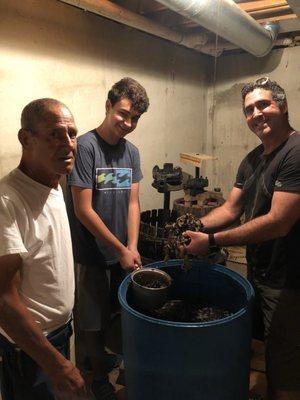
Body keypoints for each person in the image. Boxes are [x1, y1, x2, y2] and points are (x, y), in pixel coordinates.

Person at [184, 77, 300, 400]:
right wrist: (198, 227)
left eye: (264, 105)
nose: (256, 114)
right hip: (260, 272)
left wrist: (212, 242)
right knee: (267, 348)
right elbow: (231, 208)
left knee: (286, 365)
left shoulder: (296, 153)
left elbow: (279, 222)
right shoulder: (252, 160)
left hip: (289, 279)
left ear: (283, 105)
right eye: (249, 109)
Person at [67, 77, 149, 399]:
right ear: (108, 106)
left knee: (115, 311)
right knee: (91, 319)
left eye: (135, 119)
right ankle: (97, 377)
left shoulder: (132, 152)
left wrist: (132, 246)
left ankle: (101, 358)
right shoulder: (85, 147)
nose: (128, 124)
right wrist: (118, 248)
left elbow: (133, 203)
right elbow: (83, 210)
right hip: (91, 253)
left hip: (121, 252)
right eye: (123, 114)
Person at [0, 99, 87, 399]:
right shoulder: (7, 201)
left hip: (59, 333)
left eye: (72, 134)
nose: (68, 143)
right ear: (27, 139)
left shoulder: (54, 183)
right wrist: (56, 364)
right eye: (55, 134)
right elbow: (3, 299)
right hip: (30, 350)